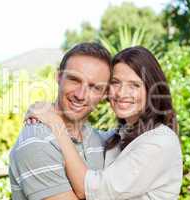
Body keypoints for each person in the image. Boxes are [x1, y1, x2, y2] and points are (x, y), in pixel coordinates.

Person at [27, 46, 183, 200]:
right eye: (115, 83)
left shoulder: (160, 141)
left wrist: (55, 122)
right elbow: (84, 135)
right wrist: (42, 111)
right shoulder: (120, 136)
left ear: (152, 90)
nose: (122, 93)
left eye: (134, 85)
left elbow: (89, 190)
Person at [9, 42, 113, 200]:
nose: (81, 95)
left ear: (105, 94)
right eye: (74, 80)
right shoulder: (36, 142)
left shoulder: (100, 140)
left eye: (94, 87)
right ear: (58, 77)